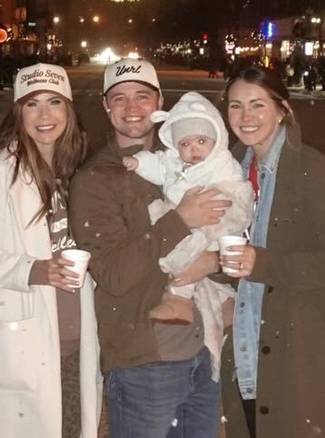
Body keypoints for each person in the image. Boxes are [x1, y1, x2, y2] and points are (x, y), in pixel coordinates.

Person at [69, 58, 231, 438]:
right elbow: (112, 274)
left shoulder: (192, 159)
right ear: (106, 107)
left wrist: (216, 261)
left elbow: (229, 233)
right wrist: (180, 220)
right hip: (145, 361)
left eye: (142, 96)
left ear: (159, 101)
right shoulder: (95, 180)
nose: (132, 108)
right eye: (119, 99)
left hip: (203, 351)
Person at [0, 63, 102, 438]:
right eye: (32, 104)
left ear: (69, 109)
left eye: (55, 102)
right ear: (18, 113)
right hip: (26, 338)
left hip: (73, 336)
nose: (45, 115)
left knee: (69, 428)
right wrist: (34, 270)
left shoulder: (74, 169)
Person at [219, 65, 325, 438]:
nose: (246, 117)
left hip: (301, 354)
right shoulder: (230, 172)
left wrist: (265, 263)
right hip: (246, 348)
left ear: (281, 109)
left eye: (257, 105)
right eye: (236, 106)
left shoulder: (312, 171)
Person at [122, 91, 253, 380]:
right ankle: (190, 303)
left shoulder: (221, 162)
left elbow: (234, 192)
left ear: (215, 140)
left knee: (189, 251)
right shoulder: (174, 162)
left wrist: (213, 213)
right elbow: (157, 165)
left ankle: (211, 302)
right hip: (188, 218)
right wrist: (138, 163)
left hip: (217, 215)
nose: (194, 150)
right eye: (185, 144)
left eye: (201, 142)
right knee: (163, 222)